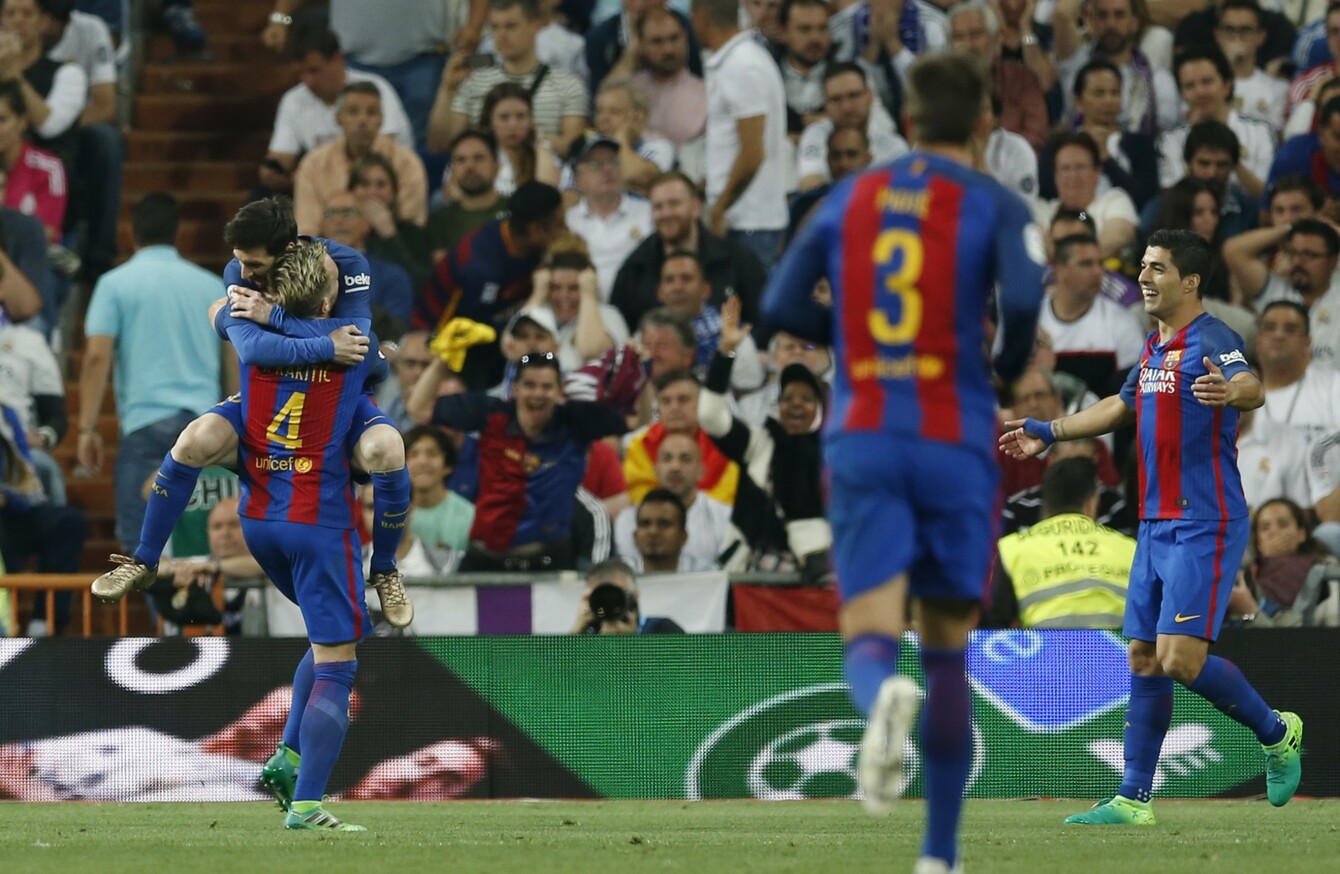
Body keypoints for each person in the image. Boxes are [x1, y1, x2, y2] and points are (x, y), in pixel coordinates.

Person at [760, 52, 1045, 872]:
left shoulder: (851, 197)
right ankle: (939, 857)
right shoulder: (992, 201)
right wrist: (1000, 361)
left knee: (872, 633)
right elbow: (1023, 301)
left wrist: (854, 338)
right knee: (949, 642)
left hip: (868, 433)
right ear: (986, 122)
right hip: (956, 433)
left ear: (909, 122)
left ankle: (879, 695)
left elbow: (780, 305)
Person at [1000, 229, 1303, 825]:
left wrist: (1231, 392)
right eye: (1142, 266)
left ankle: (1276, 733)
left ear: (1189, 281)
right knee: (1142, 656)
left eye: (1157, 268)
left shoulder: (1213, 337)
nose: (1143, 277)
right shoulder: (1153, 347)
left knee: (1180, 661)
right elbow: (1120, 405)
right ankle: (1133, 800)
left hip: (1205, 522)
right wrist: (1048, 430)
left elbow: (1253, 385)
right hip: (1155, 521)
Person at [88, 199, 413, 633]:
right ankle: (145, 558)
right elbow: (254, 348)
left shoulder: (346, 263)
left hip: (341, 397)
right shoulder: (236, 271)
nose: (242, 275)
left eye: (255, 264)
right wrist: (319, 342)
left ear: (289, 249)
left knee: (387, 449)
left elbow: (359, 344)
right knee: (194, 439)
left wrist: (272, 317)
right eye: (240, 262)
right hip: (266, 398)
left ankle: (386, 568)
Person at [77, 194, 231, 556]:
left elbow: (97, 357)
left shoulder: (114, 284)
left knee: (140, 549)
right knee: (206, 545)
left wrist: (86, 428)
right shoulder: (211, 286)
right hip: (204, 428)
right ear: (177, 233)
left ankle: (167, 614)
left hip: (146, 429)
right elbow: (233, 360)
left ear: (132, 234)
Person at [407, 347, 626, 570]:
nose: (538, 394)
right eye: (529, 385)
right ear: (515, 389)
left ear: (559, 392)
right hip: (486, 560)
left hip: (550, 560)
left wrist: (641, 369)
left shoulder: (574, 421)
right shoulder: (492, 414)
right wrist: (441, 362)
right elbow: (419, 410)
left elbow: (633, 419)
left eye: (547, 386)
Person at [984, 456, 1136, 629]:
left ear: (1045, 502)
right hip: (1117, 653)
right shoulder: (1129, 548)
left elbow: (993, 630)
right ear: (1091, 503)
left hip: (1044, 654)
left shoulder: (1012, 550)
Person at [292, 81, 428, 235]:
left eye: (371, 112)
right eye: (353, 112)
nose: (363, 120)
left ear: (381, 120)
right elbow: (307, 229)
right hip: (330, 251)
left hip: (390, 249)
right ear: (338, 118)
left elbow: (411, 226)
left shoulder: (407, 163)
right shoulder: (314, 164)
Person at [569, 557, 685, 633]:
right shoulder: (585, 636)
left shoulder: (662, 630)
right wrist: (577, 629)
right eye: (601, 597)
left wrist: (629, 643)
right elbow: (556, 668)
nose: (610, 604)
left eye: (617, 595)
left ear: (634, 597)